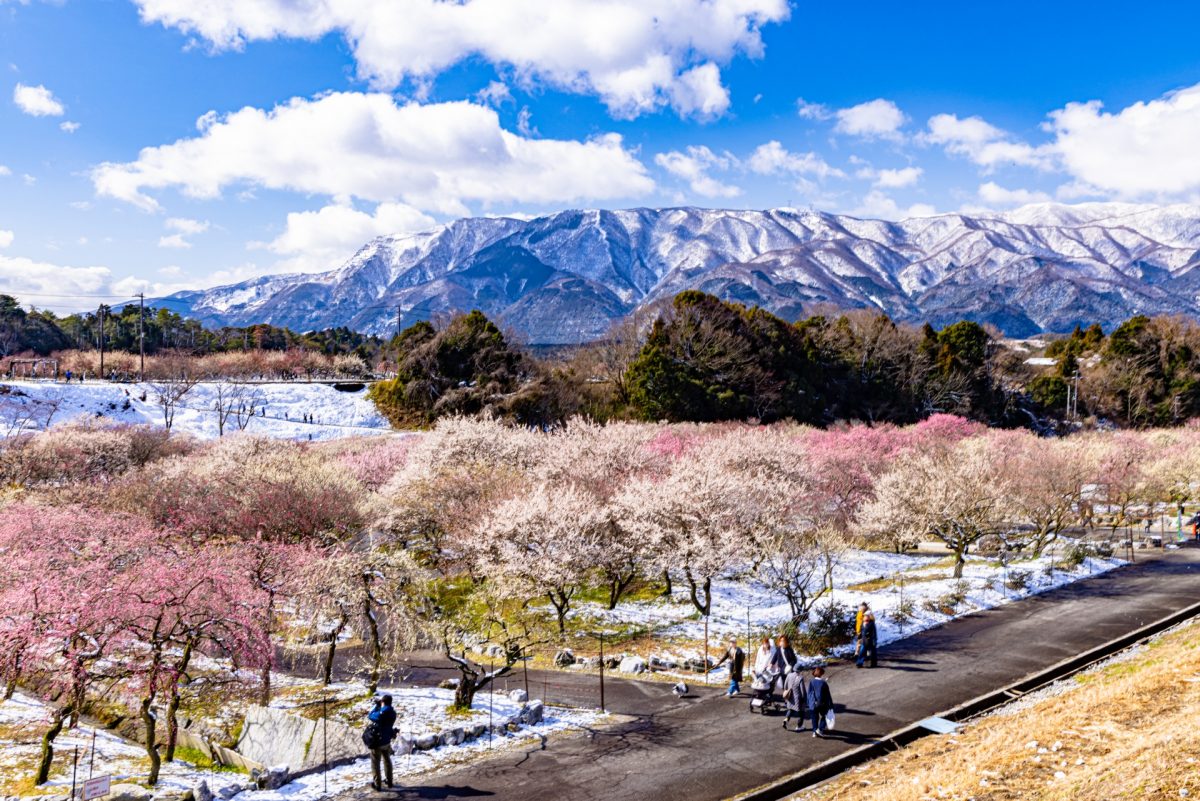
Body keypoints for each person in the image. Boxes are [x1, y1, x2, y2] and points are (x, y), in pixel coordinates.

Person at [365, 694, 398, 791]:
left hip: (377, 743)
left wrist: (376, 706)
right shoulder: (393, 713)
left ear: (383, 702)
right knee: (387, 761)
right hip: (387, 741)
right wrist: (381, 706)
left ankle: (377, 784)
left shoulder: (381, 714)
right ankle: (389, 781)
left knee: (375, 763)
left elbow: (371, 715)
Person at [806, 667, 833, 738]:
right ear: (821, 674)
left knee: (814, 718)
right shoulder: (824, 683)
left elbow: (809, 693)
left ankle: (814, 731)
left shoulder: (812, 681)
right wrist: (830, 704)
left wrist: (809, 702)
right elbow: (827, 695)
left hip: (813, 704)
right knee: (825, 716)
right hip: (821, 704)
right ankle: (820, 729)